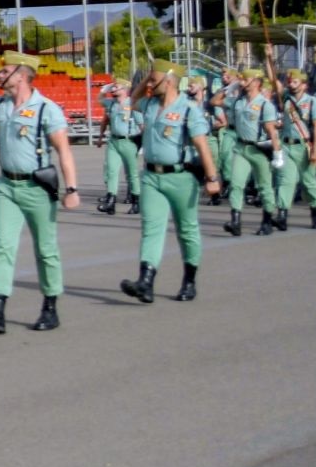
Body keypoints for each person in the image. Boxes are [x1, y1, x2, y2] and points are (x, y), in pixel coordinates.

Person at [0, 51, 78, 334]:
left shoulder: (46, 108)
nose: (1, 75)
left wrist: (72, 188)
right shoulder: (0, 104)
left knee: (46, 250)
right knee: (3, 246)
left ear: (23, 75)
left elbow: (64, 151)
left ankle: (50, 307)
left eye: (6, 71)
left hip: (37, 188)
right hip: (7, 186)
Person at [119, 60, 222, 302]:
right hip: (152, 177)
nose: (149, 84)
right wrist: (149, 77)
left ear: (169, 80)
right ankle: (145, 282)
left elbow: (202, 145)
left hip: (181, 178)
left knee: (187, 231)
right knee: (151, 229)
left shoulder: (188, 109)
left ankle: (189, 281)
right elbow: (132, 100)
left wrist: (212, 178)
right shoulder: (150, 104)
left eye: (154, 80)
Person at [221, 68, 283, 237]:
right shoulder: (238, 102)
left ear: (256, 82)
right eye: (240, 79)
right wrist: (231, 86)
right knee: (236, 183)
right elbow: (217, 101)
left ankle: (267, 220)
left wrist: (277, 153)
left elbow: (271, 130)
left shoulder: (265, 104)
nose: (242, 82)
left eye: (245, 79)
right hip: (241, 148)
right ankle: (235, 221)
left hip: (259, 149)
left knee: (264, 186)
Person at [278, 69, 316, 229]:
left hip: (304, 146)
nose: (291, 84)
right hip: (286, 145)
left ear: (304, 85)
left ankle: (315, 211)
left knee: (309, 181)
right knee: (286, 180)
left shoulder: (312, 102)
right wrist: (269, 57)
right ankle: (282, 214)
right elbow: (273, 82)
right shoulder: (286, 99)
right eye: (290, 81)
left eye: (295, 82)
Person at [95, 80, 142, 215]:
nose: (113, 89)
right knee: (111, 170)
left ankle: (136, 201)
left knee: (132, 174)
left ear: (125, 89)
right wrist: (105, 89)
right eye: (113, 87)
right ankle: (110, 201)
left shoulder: (133, 104)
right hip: (114, 141)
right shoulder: (111, 104)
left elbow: (142, 125)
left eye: (116, 87)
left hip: (129, 141)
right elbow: (100, 99)